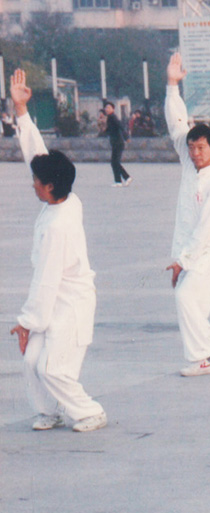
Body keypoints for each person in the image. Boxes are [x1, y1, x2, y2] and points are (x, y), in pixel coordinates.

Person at [7, 69, 107, 433]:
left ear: (50, 186)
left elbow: (46, 282)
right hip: (54, 299)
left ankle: (89, 411)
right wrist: (21, 111)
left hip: (70, 303)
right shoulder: (65, 197)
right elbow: (39, 156)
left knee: (52, 367)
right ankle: (48, 411)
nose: (32, 184)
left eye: (37, 182)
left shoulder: (58, 226)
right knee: (31, 361)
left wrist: (27, 322)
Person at [164, 53, 210, 378]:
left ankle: (202, 359)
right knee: (192, 303)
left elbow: (205, 230)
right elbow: (177, 123)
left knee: (186, 298)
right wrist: (172, 85)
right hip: (191, 248)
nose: (194, 153)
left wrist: (183, 261)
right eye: (191, 148)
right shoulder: (188, 161)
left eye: (201, 148)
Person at [103, 101, 131, 187]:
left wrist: (126, 137)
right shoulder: (109, 118)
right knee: (114, 162)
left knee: (115, 162)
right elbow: (109, 130)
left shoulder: (113, 117)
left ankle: (123, 179)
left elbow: (120, 126)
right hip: (115, 142)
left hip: (118, 143)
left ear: (113, 109)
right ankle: (121, 180)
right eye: (106, 107)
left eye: (108, 107)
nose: (106, 109)